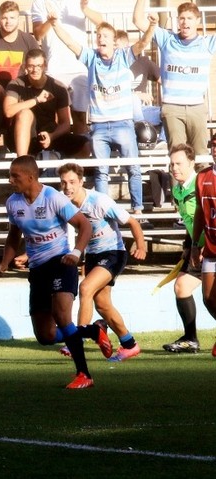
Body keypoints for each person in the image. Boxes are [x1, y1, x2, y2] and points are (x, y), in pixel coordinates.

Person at [0, 155, 110, 389]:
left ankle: (84, 375)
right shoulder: (13, 203)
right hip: (38, 268)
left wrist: (76, 253)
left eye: (15, 176)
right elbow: (14, 235)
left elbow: (84, 225)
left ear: (31, 177)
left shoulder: (52, 198)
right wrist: (5, 262)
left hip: (61, 262)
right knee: (45, 336)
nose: (10, 180)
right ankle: (93, 330)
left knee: (62, 315)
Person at [50, 16, 157, 227]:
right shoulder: (91, 57)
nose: (101, 39)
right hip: (99, 125)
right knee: (101, 172)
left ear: (114, 41)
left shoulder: (124, 56)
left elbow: (143, 43)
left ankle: (138, 211)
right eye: (99, 36)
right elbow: (70, 42)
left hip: (122, 123)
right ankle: (103, 213)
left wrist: (152, 26)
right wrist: (55, 25)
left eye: (106, 36)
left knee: (133, 168)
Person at [57, 162, 147, 362]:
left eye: (72, 182)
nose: (68, 187)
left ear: (81, 182)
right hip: (93, 255)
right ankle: (129, 345)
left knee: (85, 288)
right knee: (103, 305)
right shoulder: (65, 204)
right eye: (63, 183)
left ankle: (76, 340)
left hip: (113, 252)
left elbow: (132, 221)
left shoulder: (99, 201)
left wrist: (141, 246)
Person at [134, 0, 216, 155]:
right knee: (177, 156)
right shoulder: (167, 38)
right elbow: (138, 20)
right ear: (178, 20)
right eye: (182, 18)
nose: (185, 22)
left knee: (201, 156)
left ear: (198, 21)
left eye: (190, 18)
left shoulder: (207, 43)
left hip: (197, 107)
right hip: (172, 107)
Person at [31, 0, 102, 135]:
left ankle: (81, 147)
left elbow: (100, 21)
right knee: (54, 119)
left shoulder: (82, 1)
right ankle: (56, 148)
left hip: (79, 68)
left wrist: (85, 9)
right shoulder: (40, 2)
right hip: (54, 69)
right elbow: (38, 34)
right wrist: (50, 21)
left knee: (80, 117)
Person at [0, 1, 39, 148]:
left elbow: (37, 66)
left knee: (26, 119)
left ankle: (24, 157)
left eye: (12, 18)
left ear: (18, 19)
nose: (8, 21)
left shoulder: (28, 41)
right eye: (4, 18)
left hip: (17, 92)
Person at [3, 48, 90, 158]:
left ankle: (62, 165)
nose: (35, 70)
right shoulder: (16, 84)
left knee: (85, 145)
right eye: (31, 66)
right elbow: (8, 111)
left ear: (45, 66)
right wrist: (36, 100)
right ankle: (23, 162)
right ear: (25, 67)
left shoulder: (57, 87)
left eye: (39, 66)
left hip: (49, 134)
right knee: (25, 113)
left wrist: (51, 136)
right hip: (21, 137)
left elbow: (65, 123)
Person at [163, 143, 203, 353]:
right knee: (182, 287)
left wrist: (203, 245)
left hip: (209, 247)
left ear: (191, 163)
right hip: (198, 248)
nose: (174, 168)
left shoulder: (202, 184)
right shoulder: (178, 189)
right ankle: (190, 339)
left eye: (179, 164)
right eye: (172, 164)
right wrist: (189, 245)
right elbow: (192, 221)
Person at [189, 134, 216, 358]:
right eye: (214, 145)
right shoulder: (203, 177)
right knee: (208, 298)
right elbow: (199, 211)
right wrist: (194, 244)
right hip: (210, 247)